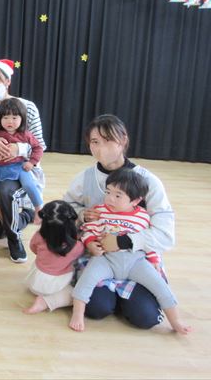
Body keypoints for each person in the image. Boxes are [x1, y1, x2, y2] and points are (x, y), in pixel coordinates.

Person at [64, 114, 176, 329]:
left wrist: (122, 241)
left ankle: (129, 299)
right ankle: (114, 298)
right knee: (96, 309)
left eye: (108, 140)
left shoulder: (147, 180)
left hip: (137, 259)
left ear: (123, 140)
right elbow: (66, 207)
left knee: (146, 318)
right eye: (94, 142)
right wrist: (82, 214)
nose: (100, 148)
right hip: (100, 258)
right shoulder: (84, 178)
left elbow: (165, 234)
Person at [70, 169, 191, 334]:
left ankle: (175, 321)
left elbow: (149, 242)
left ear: (136, 200)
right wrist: (90, 242)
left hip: (136, 261)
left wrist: (154, 260)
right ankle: (77, 315)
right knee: (86, 280)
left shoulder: (143, 217)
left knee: (160, 286)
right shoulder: (100, 211)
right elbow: (89, 229)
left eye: (118, 195)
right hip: (106, 259)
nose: (110, 198)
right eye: (108, 192)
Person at [0, 59, 46, 263]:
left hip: (22, 170)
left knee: (5, 193)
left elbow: (40, 144)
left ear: (8, 80)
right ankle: (22, 218)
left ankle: (15, 240)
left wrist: (18, 149)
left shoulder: (27, 107)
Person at [0, 98, 44, 215]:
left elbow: (38, 148)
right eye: (5, 117)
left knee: (29, 185)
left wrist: (31, 162)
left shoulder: (25, 134)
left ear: (22, 119)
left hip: (20, 168)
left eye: (14, 118)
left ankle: (39, 210)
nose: (10, 121)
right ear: (0, 119)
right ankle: (2, 219)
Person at [22, 201, 84, 314]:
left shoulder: (38, 236)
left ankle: (43, 298)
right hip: (56, 287)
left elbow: (33, 249)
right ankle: (46, 301)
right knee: (80, 293)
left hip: (33, 282)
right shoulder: (78, 246)